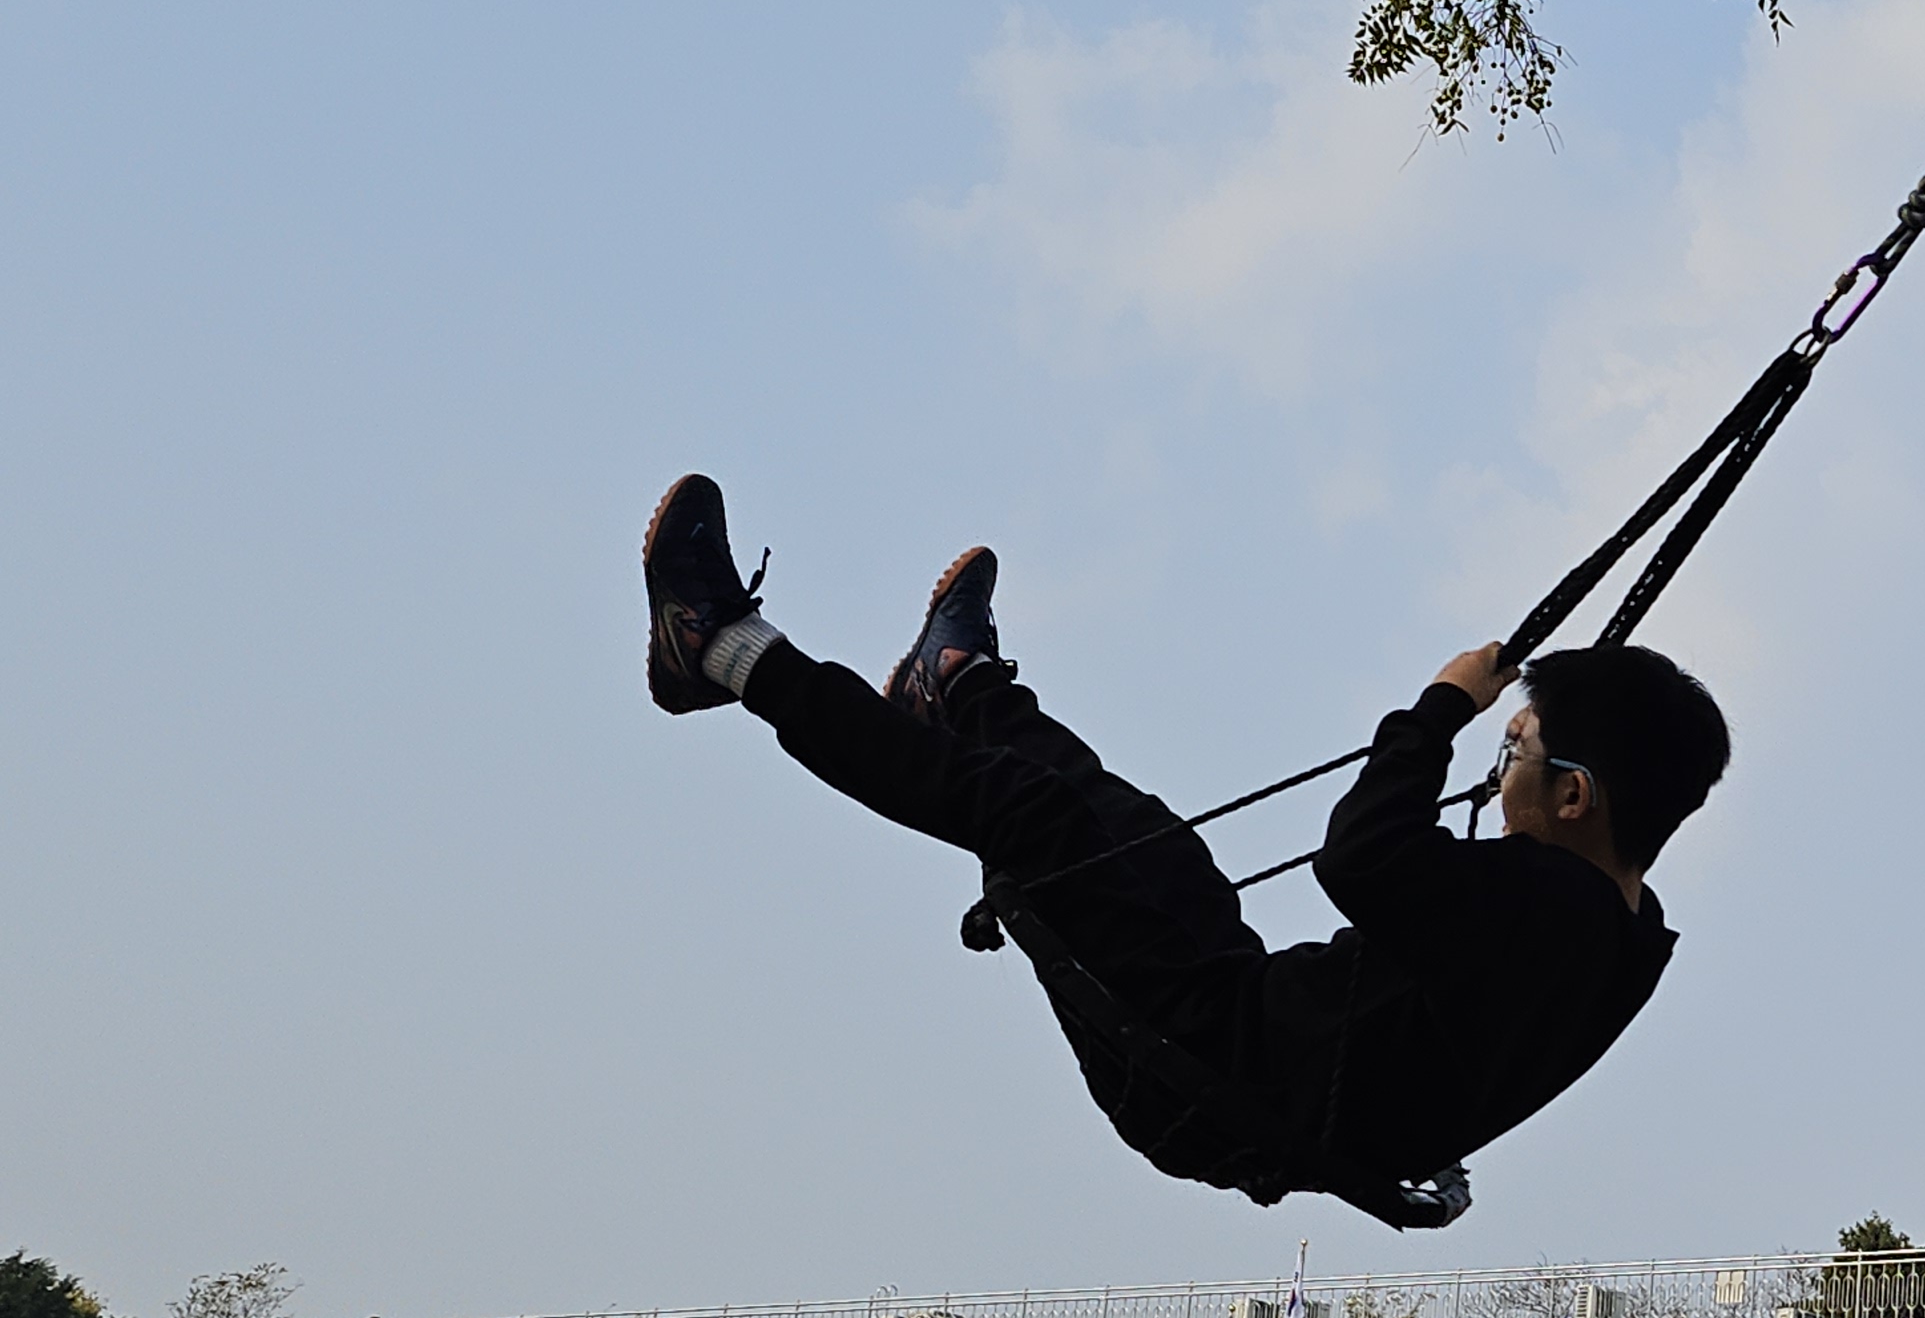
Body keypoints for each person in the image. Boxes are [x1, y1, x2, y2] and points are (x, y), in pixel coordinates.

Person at [636, 474, 1726, 1226]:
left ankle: (717, 649)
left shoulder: (1547, 912)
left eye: (1518, 750)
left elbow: (1357, 857)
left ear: (1576, 798)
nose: (1501, 769)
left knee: (1036, 824)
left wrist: (1436, 710)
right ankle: (957, 682)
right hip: (1240, 1031)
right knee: (1152, 842)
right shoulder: (1623, 935)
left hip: (1210, 1069)